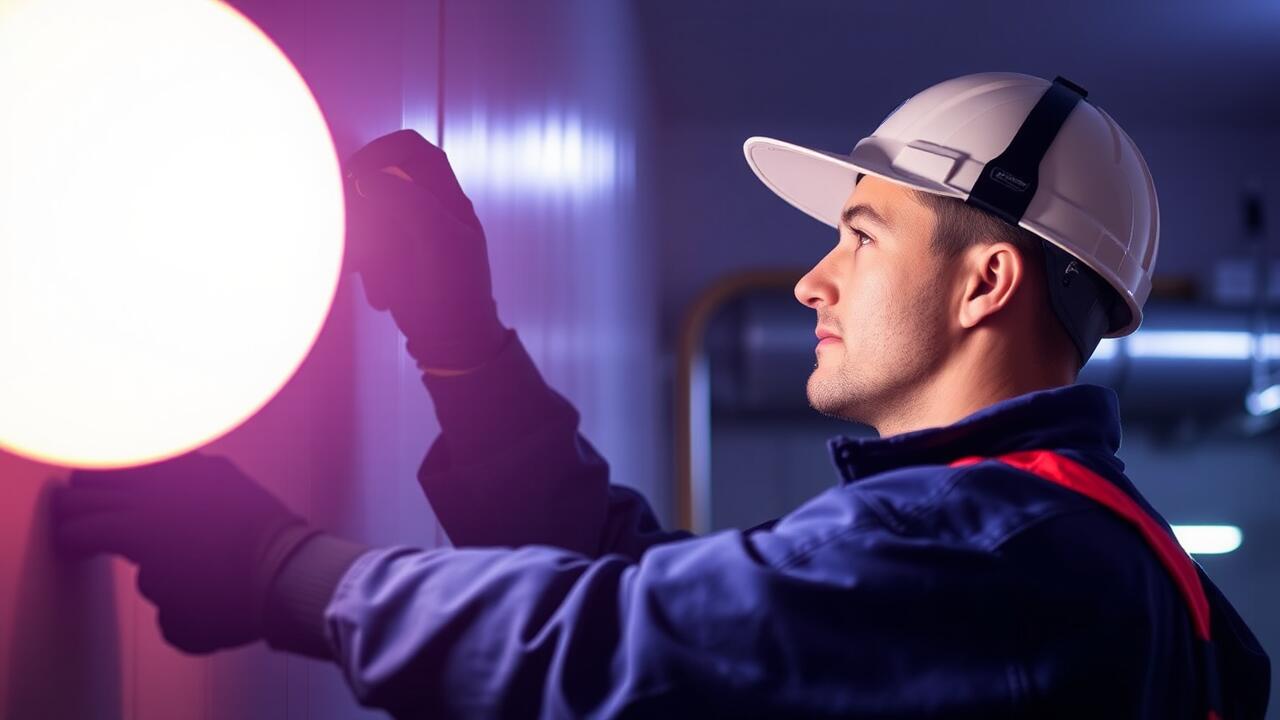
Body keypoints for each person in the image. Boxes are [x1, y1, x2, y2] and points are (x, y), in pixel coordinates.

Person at [54, 72, 1270, 718]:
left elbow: (629, 647)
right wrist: (463, 352)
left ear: (984, 281)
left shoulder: (1000, 550)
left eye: (859, 233)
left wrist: (282, 570)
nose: (807, 279)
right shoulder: (1110, 568)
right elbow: (680, 605)